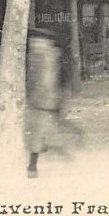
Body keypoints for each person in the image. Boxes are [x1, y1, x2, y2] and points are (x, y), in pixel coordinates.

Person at [24, 28, 73, 179]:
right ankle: (55, 150)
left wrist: (60, 97)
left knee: (39, 133)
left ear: (48, 43)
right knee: (42, 132)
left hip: (47, 100)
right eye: (33, 42)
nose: (35, 45)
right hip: (38, 101)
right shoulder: (32, 58)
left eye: (39, 42)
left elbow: (60, 78)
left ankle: (33, 166)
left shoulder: (53, 58)